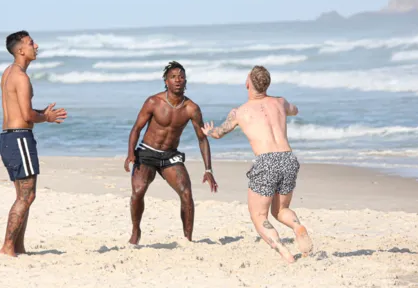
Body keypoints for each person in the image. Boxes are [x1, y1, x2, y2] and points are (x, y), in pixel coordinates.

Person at [201, 65, 312, 263]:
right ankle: (297, 227)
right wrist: (280, 106)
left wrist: (208, 131)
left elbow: (219, 133)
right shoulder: (280, 102)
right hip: (288, 158)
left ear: (248, 84)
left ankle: (283, 251)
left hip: (266, 161)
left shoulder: (239, 112)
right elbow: (294, 110)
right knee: (280, 210)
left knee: (259, 216)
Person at [124, 61, 218, 245]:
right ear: (166, 81)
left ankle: (187, 239)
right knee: (138, 190)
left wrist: (209, 170)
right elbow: (136, 128)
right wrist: (130, 154)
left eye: (181, 77)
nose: (178, 80)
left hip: (169, 155)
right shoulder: (153, 102)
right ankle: (136, 231)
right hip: (147, 152)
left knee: (186, 193)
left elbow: (202, 139)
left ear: (185, 81)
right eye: (173, 77)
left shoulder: (191, 108)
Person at [0, 31, 67, 257]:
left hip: (8, 137)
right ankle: (8, 247)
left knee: (23, 195)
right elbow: (27, 115)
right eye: (30, 43)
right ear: (20, 50)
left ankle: (18, 247)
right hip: (20, 139)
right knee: (26, 196)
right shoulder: (21, 77)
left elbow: (20, 110)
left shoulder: (8, 73)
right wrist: (46, 117)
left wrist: (40, 113)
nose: (36, 46)